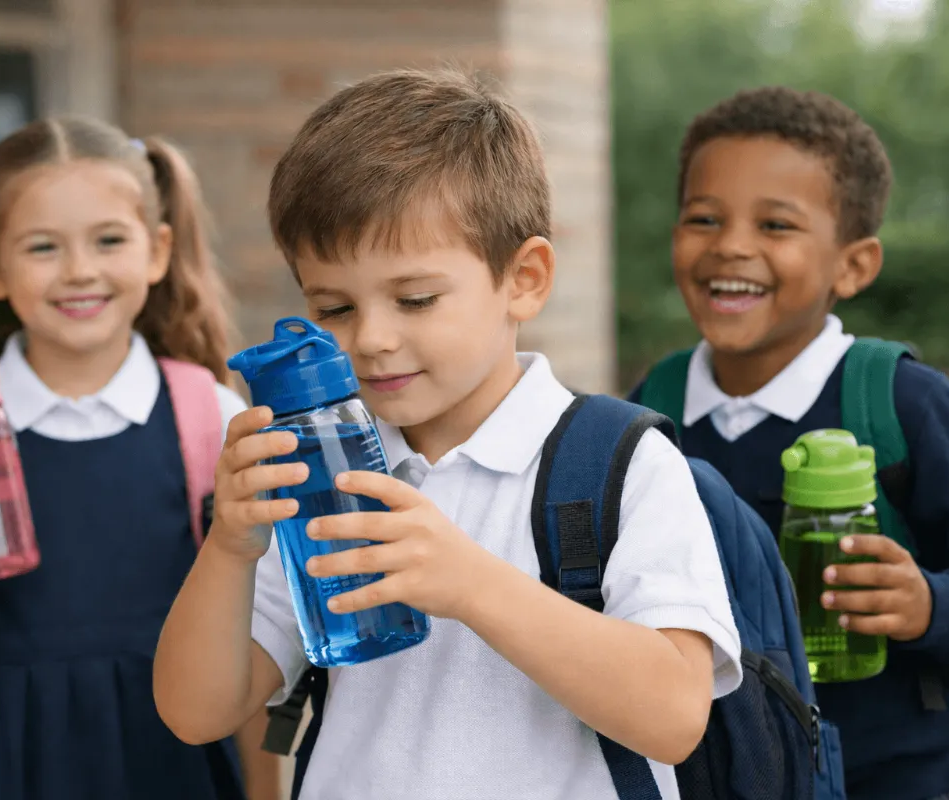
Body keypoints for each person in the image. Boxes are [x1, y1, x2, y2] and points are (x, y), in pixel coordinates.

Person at [154, 68, 742, 800]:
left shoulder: (618, 463)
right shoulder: (321, 480)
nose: (370, 338)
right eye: (333, 307)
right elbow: (196, 711)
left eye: (415, 298)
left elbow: (675, 715)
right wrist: (229, 547)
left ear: (524, 278)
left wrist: (471, 584)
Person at [0, 116, 276, 800]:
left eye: (108, 240)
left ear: (157, 251)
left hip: (167, 758)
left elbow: (254, 639)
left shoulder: (212, 415)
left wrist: (262, 789)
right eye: (43, 247)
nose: (79, 270)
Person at [630, 86, 949, 800]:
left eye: (775, 225)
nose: (731, 244)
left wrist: (931, 603)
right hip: (716, 775)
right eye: (704, 217)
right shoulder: (652, 409)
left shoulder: (901, 403)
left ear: (852, 266)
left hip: (891, 777)